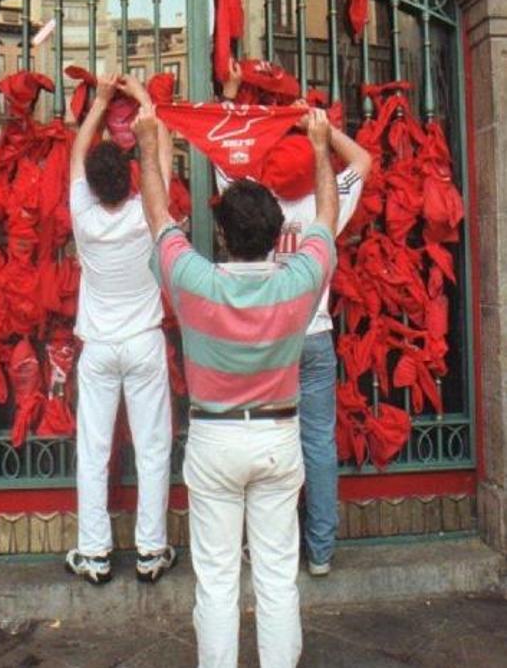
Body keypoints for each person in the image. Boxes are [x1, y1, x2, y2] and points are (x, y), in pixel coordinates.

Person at [133, 102, 339, 668]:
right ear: (279, 236)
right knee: (277, 579)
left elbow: (156, 217)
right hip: (278, 439)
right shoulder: (300, 282)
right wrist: (320, 150)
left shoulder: (195, 281)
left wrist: (149, 143)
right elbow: (325, 215)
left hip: (215, 441)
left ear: (221, 235)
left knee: (217, 582)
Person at [223, 63, 372, 577]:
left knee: (263, 442)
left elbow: (225, 151)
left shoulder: (251, 201)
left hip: (265, 339)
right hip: (314, 338)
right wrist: (321, 132)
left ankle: (268, 546)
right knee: (318, 442)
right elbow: (364, 161)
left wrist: (236, 96)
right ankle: (322, 550)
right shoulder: (322, 204)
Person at [65, 72, 176, 585]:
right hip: (144, 342)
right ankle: (151, 551)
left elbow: (77, 152)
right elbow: (162, 155)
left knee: (93, 448)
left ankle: (94, 553)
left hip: (100, 347)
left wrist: (102, 101)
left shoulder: (83, 216)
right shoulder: (146, 215)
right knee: (153, 446)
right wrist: (144, 100)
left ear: (90, 184)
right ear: (131, 180)